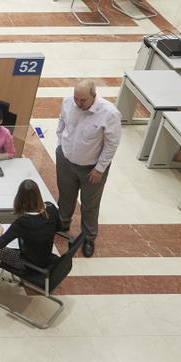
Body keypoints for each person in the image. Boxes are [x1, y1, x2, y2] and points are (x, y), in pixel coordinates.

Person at [56, 79, 120, 258]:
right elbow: (62, 122)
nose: (78, 103)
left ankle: (89, 237)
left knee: (89, 205)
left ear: (94, 95)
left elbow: (112, 144)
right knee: (65, 195)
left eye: (83, 100)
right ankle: (63, 223)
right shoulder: (68, 102)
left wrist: (100, 168)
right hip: (66, 160)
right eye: (76, 98)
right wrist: (60, 144)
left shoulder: (109, 113)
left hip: (91, 168)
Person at [0, 178, 60, 289]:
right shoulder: (51, 208)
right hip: (45, 255)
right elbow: (59, 227)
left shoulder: (23, 221)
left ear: (20, 198)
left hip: (26, 263)